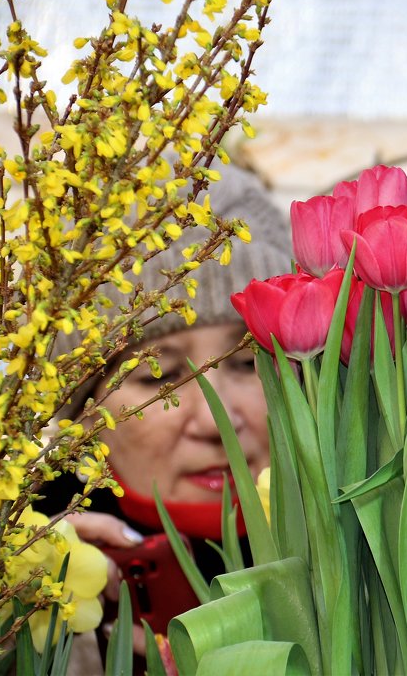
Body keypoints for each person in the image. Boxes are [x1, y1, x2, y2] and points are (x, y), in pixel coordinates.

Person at [41, 162, 290, 669]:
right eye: (157, 377)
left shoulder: (384, 568)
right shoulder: (8, 592)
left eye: (247, 363)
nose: (215, 421)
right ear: (80, 417)